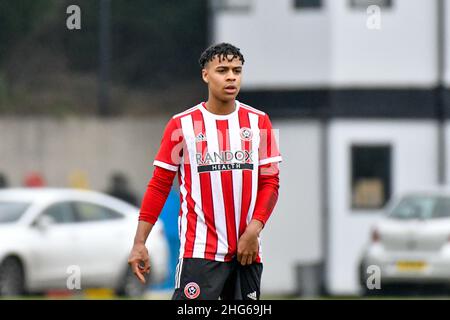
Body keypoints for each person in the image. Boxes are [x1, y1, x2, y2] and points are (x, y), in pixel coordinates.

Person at [128, 43, 281, 300]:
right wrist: (140, 242)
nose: (231, 76)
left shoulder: (260, 122)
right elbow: (159, 185)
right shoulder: (181, 125)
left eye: (237, 70)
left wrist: (253, 230)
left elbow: (271, 183)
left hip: (247, 252)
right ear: (205, 75)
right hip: (200, 254)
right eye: (222, 70)